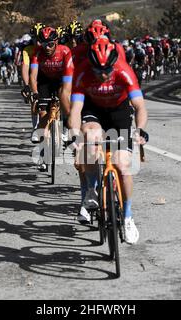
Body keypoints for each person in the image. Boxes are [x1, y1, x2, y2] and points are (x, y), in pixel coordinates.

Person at [68, 37, 149, 244]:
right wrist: (75, 134)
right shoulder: (83, 72)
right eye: (98, 71)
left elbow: (139, 106)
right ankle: (92, 191)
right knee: (90, 138)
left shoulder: (123, 70)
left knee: (123, 164)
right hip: (93, 110)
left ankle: (128, 216)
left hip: (118, 111)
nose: (103, 75)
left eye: (107, 71)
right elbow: (75, 109)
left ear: (114, 64)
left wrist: (139, 130)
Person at [29, 26, 74, 171]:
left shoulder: (65, 51)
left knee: (66, 101)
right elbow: (33, 76)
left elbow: (69, 77)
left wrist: (66, 95)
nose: (47, 47)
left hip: (62, 80)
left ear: (56, 42)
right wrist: (35, 93)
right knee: (43, 114)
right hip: (44, 82)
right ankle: (43, 152)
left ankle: (66, 129)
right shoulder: (38, 53)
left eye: (50, 44)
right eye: (43, 44)